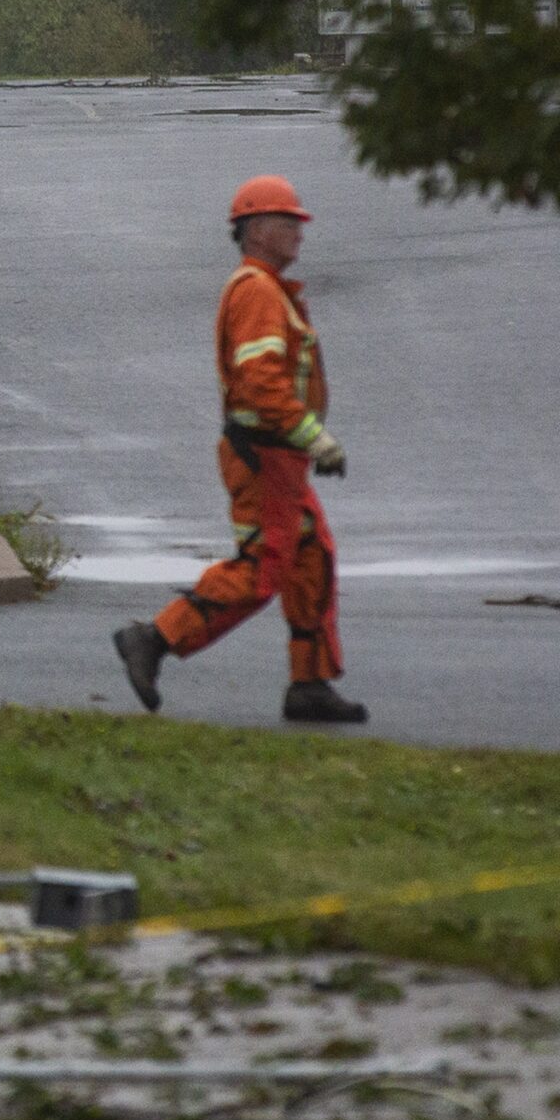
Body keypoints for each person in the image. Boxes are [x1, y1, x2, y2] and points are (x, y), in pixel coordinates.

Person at [114, 176, 366, 724]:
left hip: (278, 459)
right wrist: (313, 437)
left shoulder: (267, 288)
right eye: (287, 221)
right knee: (261, 569)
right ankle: (155, 638)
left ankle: (310, 684)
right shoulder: (256, 291)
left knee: (310, 556)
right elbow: (260, 383)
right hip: (265, 458)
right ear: (255, 229)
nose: (299, 231)